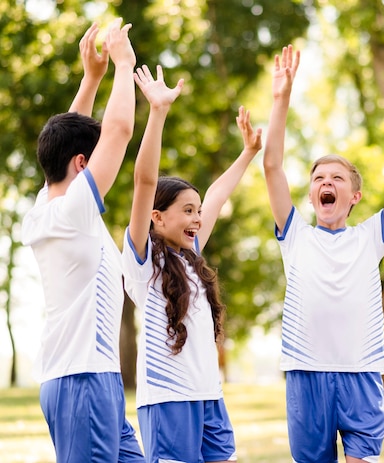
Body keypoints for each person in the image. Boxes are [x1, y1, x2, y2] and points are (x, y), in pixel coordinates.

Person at [263, 44, 384, 463]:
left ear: (354, 195)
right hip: (306, 377)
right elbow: (272, 166)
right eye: (319, 177)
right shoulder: (295, 235)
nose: (327, 182)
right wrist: (281, 98)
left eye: (337, 177)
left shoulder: (369, 236)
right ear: (312, 194)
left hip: (361, 375)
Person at [121, 63, 262, 463]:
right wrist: (158, 113)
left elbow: (217, 195)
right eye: (187, 210)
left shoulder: (191, 256)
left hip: (209, 396)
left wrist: (248, 153)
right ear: (157, 216)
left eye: (197, 211)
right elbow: (144, 182)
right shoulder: (142, 261)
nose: (198, 218)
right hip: (169, 401)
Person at [21, 20, 144, 462]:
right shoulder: (74, 211)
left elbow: (70, 142)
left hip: (90, 380)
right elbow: (117, 132)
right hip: (83, 382)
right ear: (82, 164)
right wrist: (124, 63)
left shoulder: (45, 206)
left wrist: (92, 77)